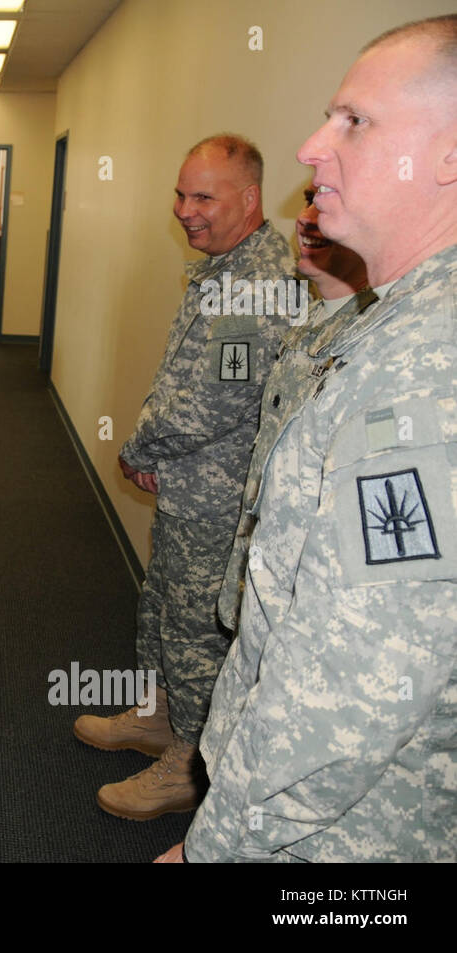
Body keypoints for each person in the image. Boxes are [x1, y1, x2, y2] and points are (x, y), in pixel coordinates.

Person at [158, 14, 457, 864]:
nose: (311, 147)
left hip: (340, 847)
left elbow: (353, 691)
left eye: (354, 121)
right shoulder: (397, 328)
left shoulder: (427, 367)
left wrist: (215, 844)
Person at [72, 134, 291, 821]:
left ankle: (188, 766)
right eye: (180, 193)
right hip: (190, 487)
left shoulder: (257, 284)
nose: (185, 210)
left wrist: (140, 447)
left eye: (204, 197)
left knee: (197, 630)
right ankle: (160, 716)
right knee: (165, 608)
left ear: (249, 199)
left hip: (216, 498)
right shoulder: (224, 267)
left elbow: (212, 401)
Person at [215, 184, 371, 635]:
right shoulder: (311, 318)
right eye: (309, 200)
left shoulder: (373, 343)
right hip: (264, 560)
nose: (306, 218)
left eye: (329, 202)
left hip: (304, 600)